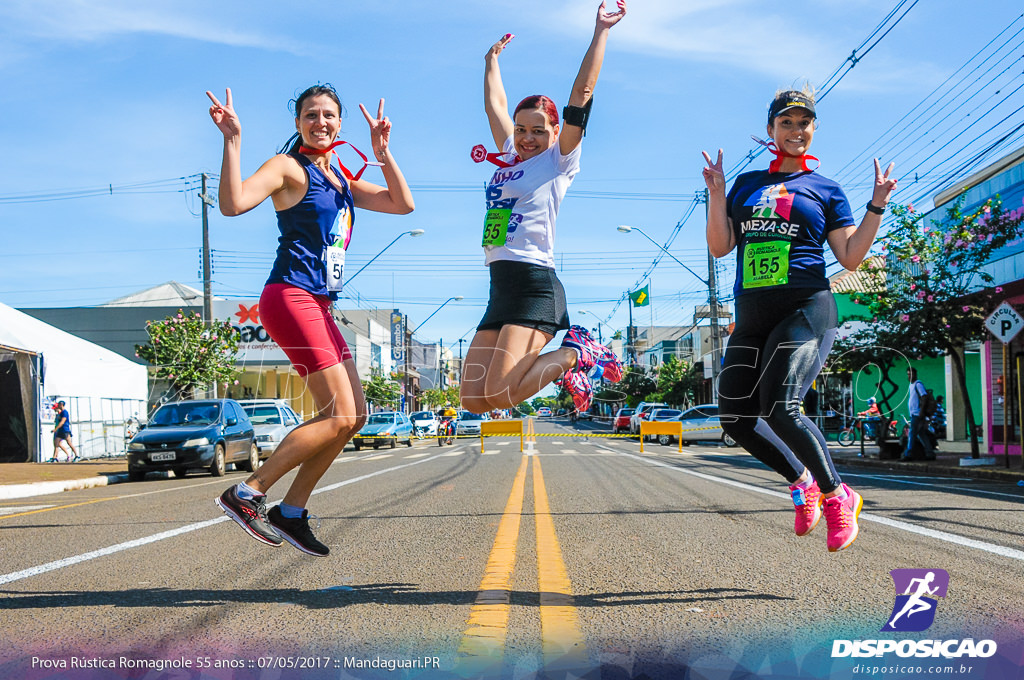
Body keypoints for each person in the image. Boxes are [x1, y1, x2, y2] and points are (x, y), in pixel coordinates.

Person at [207, 84, 414, 557]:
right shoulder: (289, 168)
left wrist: (383, 153)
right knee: (339, 414)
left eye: (329, 116)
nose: (321, 122)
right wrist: (232, 140)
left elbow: (402, 204)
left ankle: (292, 512)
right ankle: (248, 492)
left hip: (318, 303)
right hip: (290, 297)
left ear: (341, 124)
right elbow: (233, 204)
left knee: (353, 416)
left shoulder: (339, 176)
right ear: (298, 122)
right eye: (311, 115)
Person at [702, 87, 898, 552]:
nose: (796, 130)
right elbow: (719, 246)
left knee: (781, 406)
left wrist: (877, 205)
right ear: (771, 130)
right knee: (735, 417)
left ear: (813, 130)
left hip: (805, 309)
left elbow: (850, 257)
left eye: (804, 123)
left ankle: (837, 495)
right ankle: (801, 482)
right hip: (751, 316)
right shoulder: (745, 185)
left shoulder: (827, 189)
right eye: (786, 123)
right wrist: (715, 193)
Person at [460, 1, 627, 416]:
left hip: (535, 287)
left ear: (555, 132)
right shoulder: (509, 157)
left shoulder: (558, 160)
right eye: (521, 130)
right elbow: (494, 106)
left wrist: (601, 30)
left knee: (500, 395)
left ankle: (575, 354)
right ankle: (569, 359)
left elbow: (581, 96)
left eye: (538, 130)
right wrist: (490, 62)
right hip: (501, 288)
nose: (527, 138)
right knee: (473, 400)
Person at [903, 367, 935, 461]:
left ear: (915, 375)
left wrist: (921, 411)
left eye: (911, 374)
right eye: (908, 374)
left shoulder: (918, 384)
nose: (909, 376)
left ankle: (908, 454)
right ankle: (930, 453)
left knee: (912, 433)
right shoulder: (911, 385)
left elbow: (924, 396)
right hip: (913, 413)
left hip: (917, 413)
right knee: (921, 434)